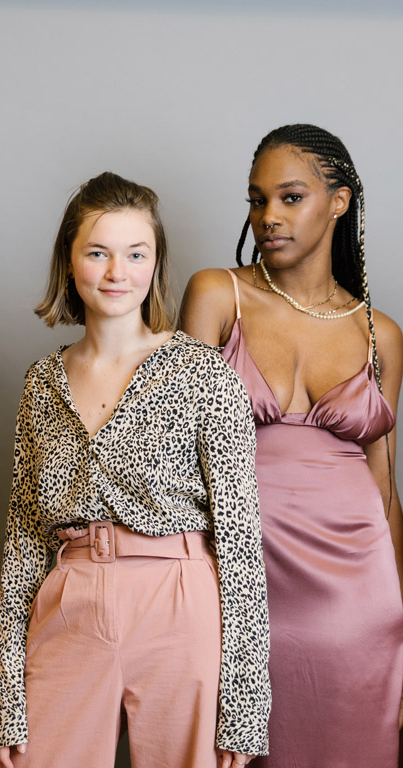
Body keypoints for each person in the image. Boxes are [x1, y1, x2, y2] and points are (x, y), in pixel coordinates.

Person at [0, 172, 270, 768]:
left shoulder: (205, 373)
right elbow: (21, 544)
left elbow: (242, 541)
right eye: (98, 252)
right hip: (70, 595)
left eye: (136, 253)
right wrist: (7, 697)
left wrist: (244, 711)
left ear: (155, 262)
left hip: (180, 598)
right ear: (70, 262)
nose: (118, 272)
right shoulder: (41, 383)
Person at [181, 123, 403, 767]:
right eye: (256, 200)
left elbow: (386, 492)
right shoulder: (217, 294)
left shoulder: (381, 335)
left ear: (339, 201)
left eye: (290, 197)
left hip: (360, 605)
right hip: (243, 584)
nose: (268, 217)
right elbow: (177, 460)